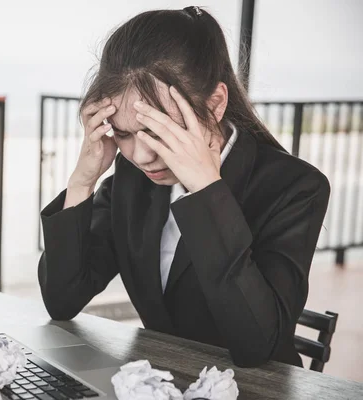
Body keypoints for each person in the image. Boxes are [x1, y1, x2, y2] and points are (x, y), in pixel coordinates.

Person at [37, 7, 330, 368]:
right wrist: (82, 182)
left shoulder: (296, 188)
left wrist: (207, 191)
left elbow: (257, 345)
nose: (141, 156)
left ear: (216, 104)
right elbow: (62, 300)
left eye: (158, 132)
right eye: (124, 133)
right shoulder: (131, 182)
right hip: (163, 382)